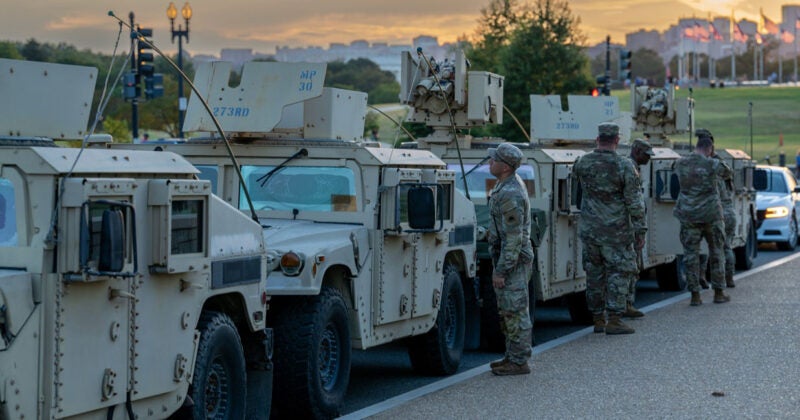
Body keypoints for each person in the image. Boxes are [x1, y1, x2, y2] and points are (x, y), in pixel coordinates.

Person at [574, 123, 646, 335]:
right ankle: (614, 318)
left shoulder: (582, 163)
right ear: (617, 140)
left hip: (590, 230)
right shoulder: (624, 166)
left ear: (597, 139)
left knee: (594, 275)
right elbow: (635, 202)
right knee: (619, 272)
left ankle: (598, 319)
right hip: (617, 232)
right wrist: (640, 230)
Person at [486, 143, 534, 376]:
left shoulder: (510, 192)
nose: (489, 163)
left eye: (493, 160)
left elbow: (513, 238)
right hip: (508, 256)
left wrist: (502, 270)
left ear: (504, 166)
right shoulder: (503, 186)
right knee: (507, 310)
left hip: (513, 260)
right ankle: (511, 356)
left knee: (515, 310)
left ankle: (519, 361)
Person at [673, 134, 732, 305]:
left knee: (690, 255)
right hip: (711, 215)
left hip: (688, 215)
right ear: (710, 149)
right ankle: (719, 293)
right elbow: (727, 172)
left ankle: (695, 296)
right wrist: (714, 158)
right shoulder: (712, 163)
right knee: (717, 253)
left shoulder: (680, 162)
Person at [624, 138, 655, 318]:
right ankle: (626, 304)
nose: (648, 159)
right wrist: (640, 230)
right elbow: (635, 203)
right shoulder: (630, 168)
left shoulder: (630, 166)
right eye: (646, 155)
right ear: (637, 152)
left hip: (621, 226)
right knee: (631, 267)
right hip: (628, 228)